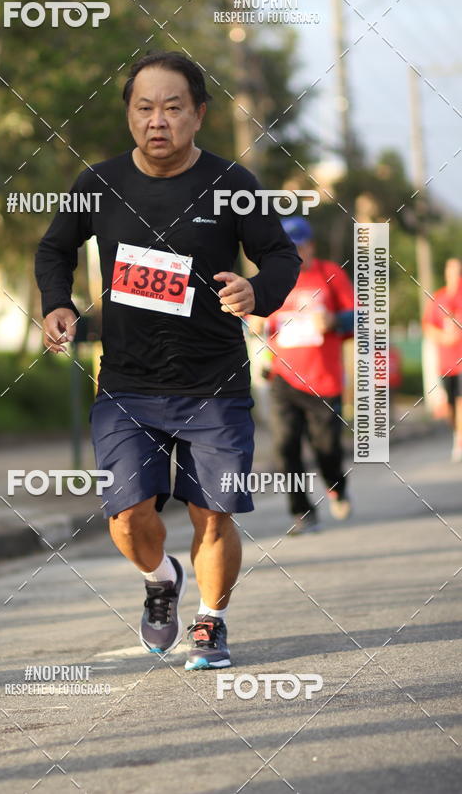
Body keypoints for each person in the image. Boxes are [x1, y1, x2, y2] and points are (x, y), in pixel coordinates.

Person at [35, 51, 300, 669]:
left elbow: (283, 259)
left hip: (215, 385)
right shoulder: (98, 185)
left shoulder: (233, 185)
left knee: (214, 513)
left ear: (199, 114)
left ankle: (211, 621)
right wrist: (57, 303)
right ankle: (161, 581)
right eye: (145, 107)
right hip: (127, 385)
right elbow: (55, 250)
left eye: (173, 108)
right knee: (126, 517)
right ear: (129, 114)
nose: (158, 120)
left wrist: (256, 292)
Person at [264, 217, 354, 533]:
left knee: (326, 448)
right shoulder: (272, 277)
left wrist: (334, 321)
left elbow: (358, 317)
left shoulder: (330, 274)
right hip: (283, 379)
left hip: (323, 381)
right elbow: (254, 319)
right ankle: (301, 512)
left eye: (298, 245)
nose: (294, 252)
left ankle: (337, 487)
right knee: (286, 446)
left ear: (310, 245)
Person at [422, 257, 462, 462]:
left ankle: (460, 441)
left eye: (457, 271)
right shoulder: (439, 298)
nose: (454, 275)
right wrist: (444, 337)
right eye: (451, 271)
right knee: (451, 402)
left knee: (461, 400)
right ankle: (457, 433)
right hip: (446, 362)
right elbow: (428, 326)